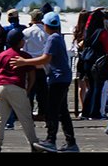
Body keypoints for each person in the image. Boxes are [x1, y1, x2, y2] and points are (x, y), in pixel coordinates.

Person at [10, 11, 78, 152]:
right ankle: (71, 142)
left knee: (52, 110)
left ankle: (51, 140)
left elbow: (45, 59)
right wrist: (30, 64)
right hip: (63, 77)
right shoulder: (58, 37)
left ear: (46, 25)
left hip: (57, 79)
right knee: (62, 111)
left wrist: (24, 62)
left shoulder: (52, 39)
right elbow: (47, 61)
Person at [0, 29, 45, 153]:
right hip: (16, 87)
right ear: (19, 42)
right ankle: (33, 143)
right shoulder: (24, 56)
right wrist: (28, 89)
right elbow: (32, 75)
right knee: (25, 118)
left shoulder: (2, 55)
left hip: (1, 87)